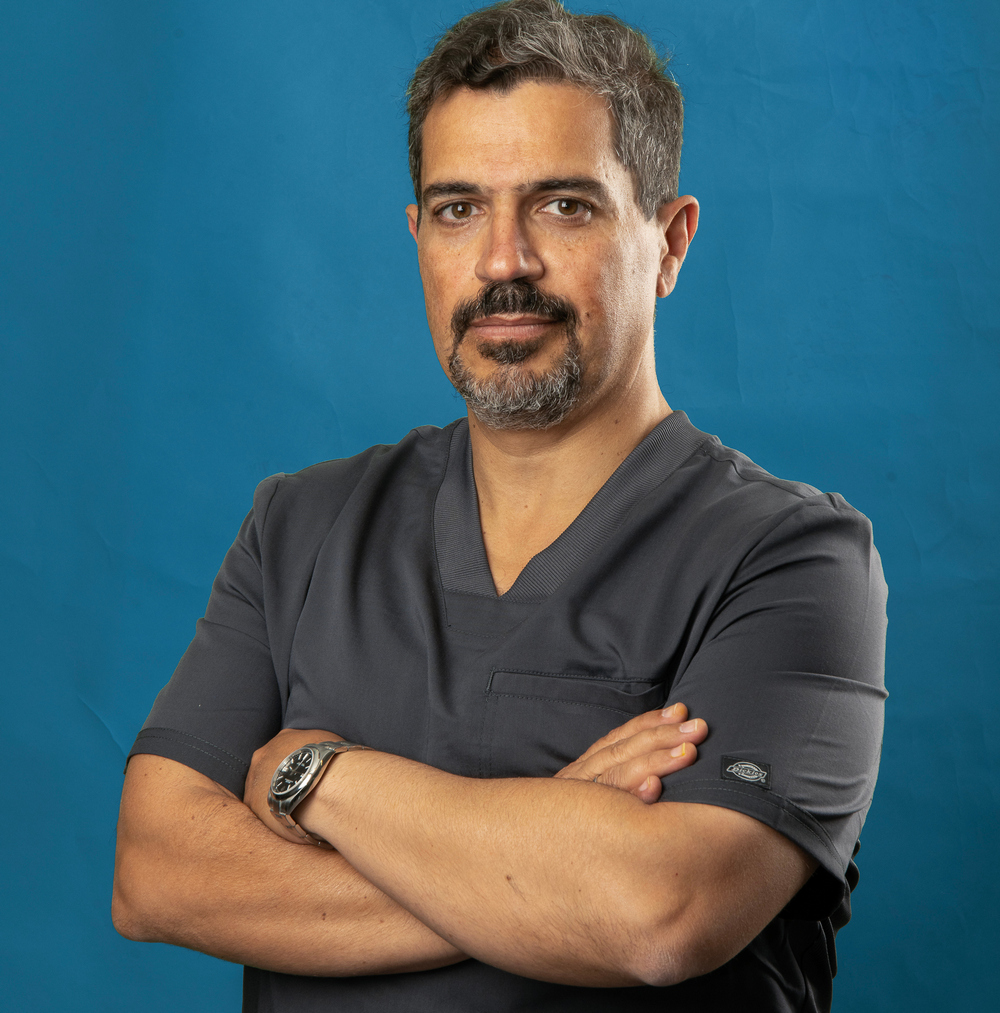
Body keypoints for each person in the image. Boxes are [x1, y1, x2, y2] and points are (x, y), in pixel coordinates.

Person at [112, 1, 887, 1010]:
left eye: (563, 205)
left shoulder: (790, 557)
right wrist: (548, 858)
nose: (503, 261)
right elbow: (156, 872)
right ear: (418, 237)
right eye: (458, 209)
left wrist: (316, 774)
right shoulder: (301, 527)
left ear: (668, 241)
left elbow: (661, 912)